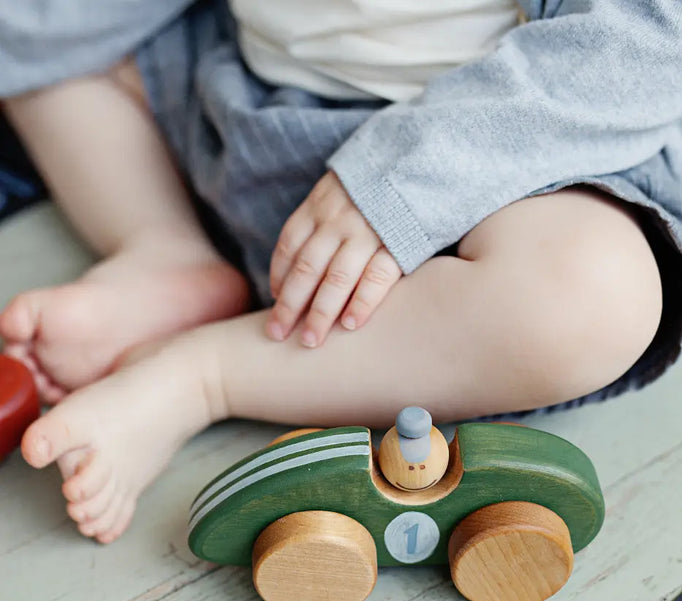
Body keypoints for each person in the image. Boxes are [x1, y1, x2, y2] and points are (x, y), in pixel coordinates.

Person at [0, 0, 680, 544]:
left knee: (592, 296)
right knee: (34, 40)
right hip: (243, 100)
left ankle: (210, 373)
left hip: (504, 155)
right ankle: (162, 243)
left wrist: (408, 179)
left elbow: (644, 44)